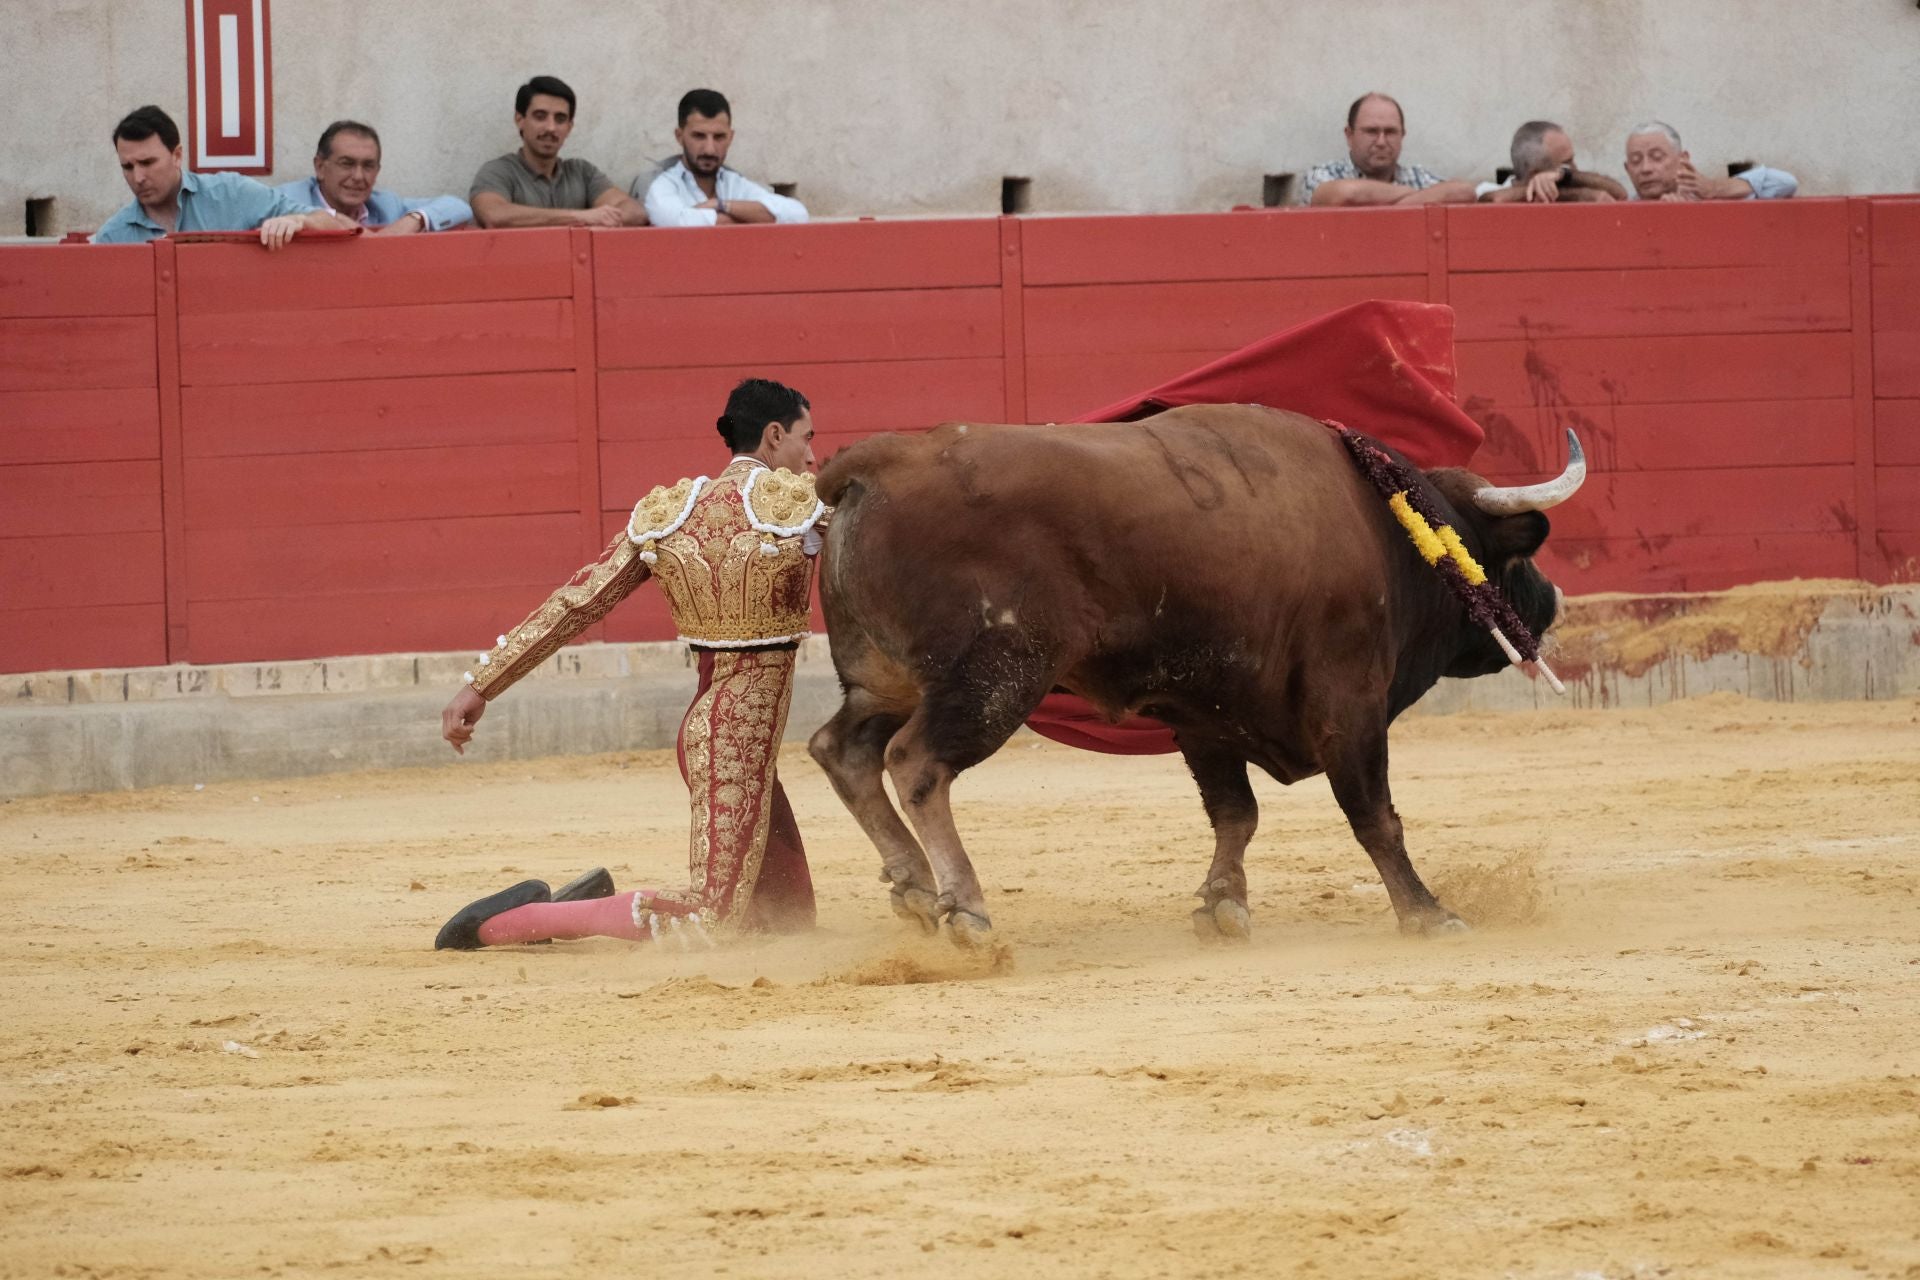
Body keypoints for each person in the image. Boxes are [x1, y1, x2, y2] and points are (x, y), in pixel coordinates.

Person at [434, 379, 824, 950]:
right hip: (732, 746)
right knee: (710, 919)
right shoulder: (799, 509)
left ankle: (578, 907)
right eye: (806, 438)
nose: (813, 455)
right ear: (773, 436)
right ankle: (506, 925)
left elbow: (577, 602)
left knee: (788, 921)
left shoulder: (673, 515)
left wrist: (482, 685)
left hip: (723, 737)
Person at [92, 105, 353, 247]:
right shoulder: (113, 236)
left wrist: (298, 221)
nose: (138, 177)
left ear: (177, 155)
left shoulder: (232, 193)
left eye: (148, 163)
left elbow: (339, 226)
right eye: (127, 167)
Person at [468, 75, 648, 228]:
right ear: (520, 119)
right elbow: (494, 215)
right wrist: (580, 217)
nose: (551, 128)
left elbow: (636, 212)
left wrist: (597, 221)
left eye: (560, 119)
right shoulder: (498, 171)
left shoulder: (582, 172)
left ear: (569, 127)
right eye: (540, 116)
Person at [638, 89, 809, 226]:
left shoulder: (733, 183)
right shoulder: (663, 184)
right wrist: (750, 217)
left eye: (719, 137)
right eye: (699, 136)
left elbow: (797, 214)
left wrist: (721, 205)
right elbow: (679, 223)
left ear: (730, 137)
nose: (710, 149)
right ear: (679, 136)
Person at [277, 120, 473, 234]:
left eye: (368, 166)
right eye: (347, 164)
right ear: (320, 167)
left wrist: (414, 220)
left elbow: (458, 206)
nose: (358, 176)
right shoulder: (284, 201)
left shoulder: (386, 206)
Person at [1299, 93, 1477, 207]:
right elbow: (1347, 195)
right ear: (1349, 135)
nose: (1381, 142)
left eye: (1390, 132)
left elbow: (1463, 191)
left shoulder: (1417, 176)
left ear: (1403, 135)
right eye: (1371, 131)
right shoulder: (1322, 175)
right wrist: (1421, 197)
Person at [1623, 121, 1798, 201]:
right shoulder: (1623, 210)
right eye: (1636, 160)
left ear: (1683, 160)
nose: (1645, 168)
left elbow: (1786, 183)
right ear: (1627, 169)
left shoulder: (1708, 199)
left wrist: (1713, 189)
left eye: (1657, 157)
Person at [1477, 120, 1628, 204]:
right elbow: (1495, 200)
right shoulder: (1490, 190)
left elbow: (1619, 192)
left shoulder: (1569, 180)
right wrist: (1578, 196)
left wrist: (1564, 175)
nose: (1574, 168)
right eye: (1566, 163)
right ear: (1535, 173)